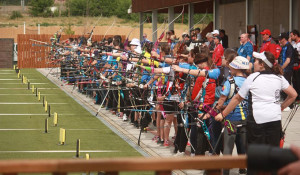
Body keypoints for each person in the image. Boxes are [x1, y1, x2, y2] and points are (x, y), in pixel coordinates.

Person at [213, 51, 297, 147]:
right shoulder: (279, 77)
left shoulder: (252, 77)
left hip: (257, 122)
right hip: (275, 120)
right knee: (273, 154)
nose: (253, 63)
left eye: (255, 61)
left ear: (261, 65)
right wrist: (281, 107)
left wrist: (223, 114)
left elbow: (237, 99)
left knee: (256, 155)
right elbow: (293, 95)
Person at [278, 32, 295, 111]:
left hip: (287, 70)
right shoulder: (284, 47)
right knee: (283, 87)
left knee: (287, 87)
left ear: (284, 39)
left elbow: (288, 60)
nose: (279, 41)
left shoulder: (289, 47)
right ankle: (285, 103)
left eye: (280, 39)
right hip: (283, 70)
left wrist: (281, 68)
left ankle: (290, 105)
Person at [290, 30, 300, 102]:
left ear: (296, 35)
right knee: (294, 81)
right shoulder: (293, 43)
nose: (291, 37)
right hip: (294, 65)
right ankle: (296, 97)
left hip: (299, 65)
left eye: (292, 36)